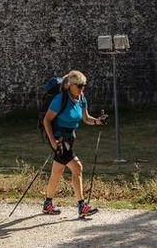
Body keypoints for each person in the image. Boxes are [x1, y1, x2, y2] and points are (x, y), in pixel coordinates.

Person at [41, 70, 106, 217]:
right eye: (79, 86)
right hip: (60, 140)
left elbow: (86, 118)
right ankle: (82, 206)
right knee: (77, 168)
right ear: (70, 85)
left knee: (57, 173)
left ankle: (47, 204)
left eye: (84, 86)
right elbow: (47, 120)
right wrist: (52, 141)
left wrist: (98, 121)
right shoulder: (60, 99)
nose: (82, 89)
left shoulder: (81, 98)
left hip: (70, 139)